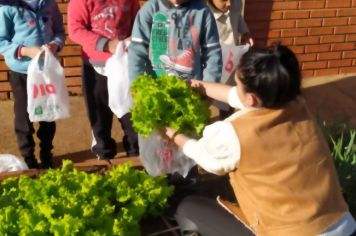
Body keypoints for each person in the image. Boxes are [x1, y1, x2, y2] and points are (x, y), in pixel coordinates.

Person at [164, 44, 356, 235]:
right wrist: (195, 85)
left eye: (237, 83)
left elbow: (201, 155)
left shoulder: (234, 133)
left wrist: (171, 133)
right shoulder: (294, 103)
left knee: (190, 208)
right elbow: (232, 95)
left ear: (252, 99)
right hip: (344, 225)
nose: (234, 87)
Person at [67, 0, 140, 160]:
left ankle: (135, 155)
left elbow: (138, 23)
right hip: (95, 65)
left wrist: (131, 40)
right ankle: (104, 155)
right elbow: (75, 29)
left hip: (124, 63)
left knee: (131, 114)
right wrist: (106, 44)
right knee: (99, 117)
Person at [0, 0, 65, 169]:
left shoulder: (50, 4)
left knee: (48, 114)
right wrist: (26, 51)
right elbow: (1, 40)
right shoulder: (8, 7)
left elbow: (59, 32)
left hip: (46, 71)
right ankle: (28, 159)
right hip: (21, 73)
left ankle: (46, 154)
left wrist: (54, 46)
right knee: (24, 118)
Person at [128, 0, 222, 83]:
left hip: (192, 89)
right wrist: (137, 84)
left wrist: (209, 86)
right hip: (157, 86)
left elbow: (212, 53)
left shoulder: (203, 12)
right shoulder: (149, 9)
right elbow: (137, 51)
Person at [206, 0, 254, 119]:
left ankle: (226, 117)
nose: (229, 4)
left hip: (231, 55)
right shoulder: (201, 9)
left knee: (230, 91)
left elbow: (238, 16)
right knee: (208, 91)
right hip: (210, 55)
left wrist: (245, 33)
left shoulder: (236, 3)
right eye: (224, 0)